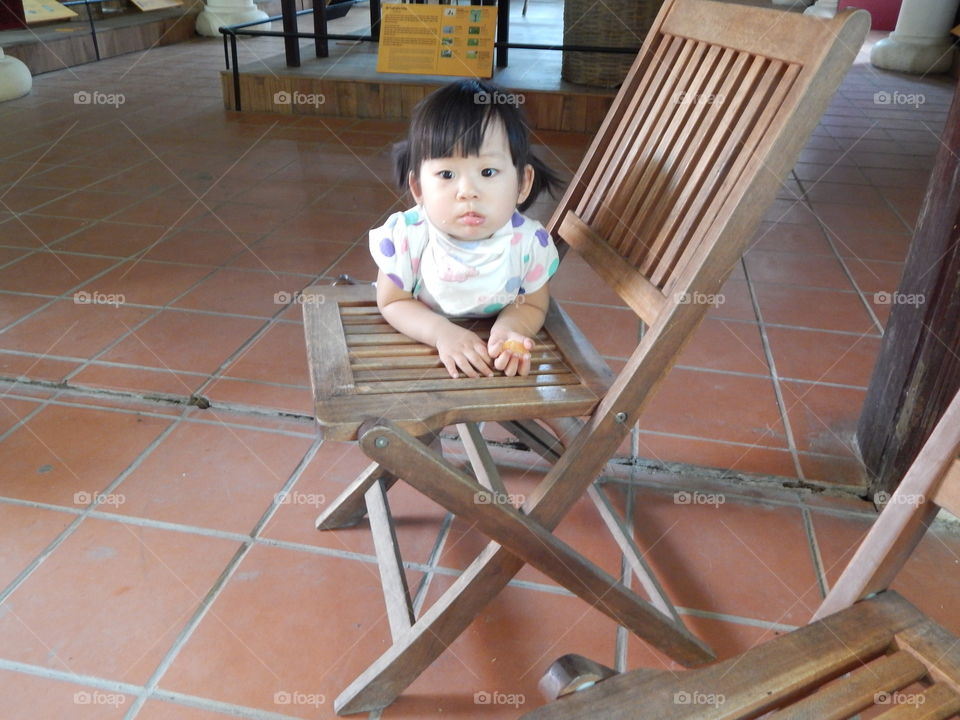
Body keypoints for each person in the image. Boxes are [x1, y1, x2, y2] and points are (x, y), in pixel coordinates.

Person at [369, 78, 562, 379]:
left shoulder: (528, 243)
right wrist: (441, 333)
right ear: (418, 188)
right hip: (420, 338)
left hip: (486, 350)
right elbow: (393, 300)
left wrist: (511, 328)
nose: (467, 191)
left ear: (523, 183)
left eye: (487, 172)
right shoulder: (408, 236)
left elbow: (533, 304)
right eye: (446, 173)